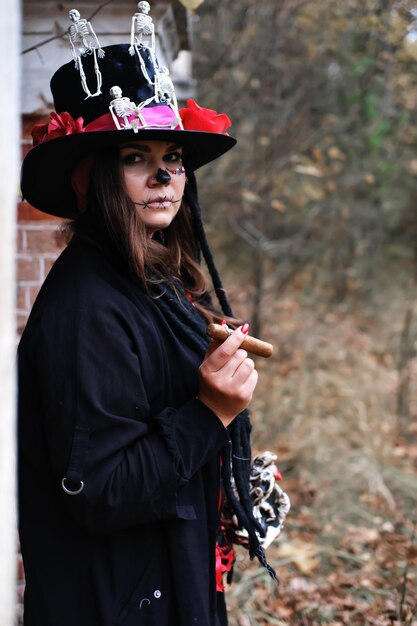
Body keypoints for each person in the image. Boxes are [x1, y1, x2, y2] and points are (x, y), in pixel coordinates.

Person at [18, 5, 275, 626]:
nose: (165, 174)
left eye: (174, 157)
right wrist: (210, 412)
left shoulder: (152, 284)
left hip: (168, 584)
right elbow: (101, 490)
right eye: (136, 156)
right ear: (90, 178)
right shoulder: (88, 309)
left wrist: (228, 479)